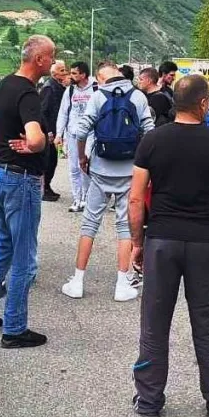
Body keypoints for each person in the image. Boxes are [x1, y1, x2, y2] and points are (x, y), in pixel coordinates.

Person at [129, 74, 209, 417]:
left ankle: (149, 400)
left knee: (154, 321)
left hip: (161, 238)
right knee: (208, 321)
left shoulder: (152, 140)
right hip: (205, 241)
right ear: (204, 103)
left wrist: (137, 242)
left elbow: (135, 199)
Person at [0, 35, 56, 349]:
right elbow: (34, 139)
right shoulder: (29, 95)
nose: (54, 61)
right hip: (22, 180)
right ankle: (15, 328)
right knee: (24, 258)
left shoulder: (6, 84)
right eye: (52, 56)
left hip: (0, 175)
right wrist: (41, 142)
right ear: (40, 60)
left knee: (3, 246)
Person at [61, 62, 154, 301]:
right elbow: (150, 132)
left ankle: (78, 281)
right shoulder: (139, 96)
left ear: (102, 78)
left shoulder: (97, 96)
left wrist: (82, 156)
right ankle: (122, 284)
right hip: (129, 170)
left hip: (101, 169)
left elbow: (81, 132)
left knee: (89, 223)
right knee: (124, 226)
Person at [56, 61, 96, 212]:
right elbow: (63, 112)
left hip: (90, 134)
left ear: (83, 74)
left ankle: (86, 197)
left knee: (85, 165)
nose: (70, 76)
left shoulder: (95, 88)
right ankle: (77, 198)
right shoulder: (70, 91)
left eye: (74, 73)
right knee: (73, 168)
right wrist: (59, 134)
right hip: (73, 133)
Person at [38, 61, 68, 201]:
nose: (65, 72)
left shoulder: (58, 87)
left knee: (52, 161)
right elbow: (43, 111)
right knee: (49, 161)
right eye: (61, 70)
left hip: (55, 129)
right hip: (49, 130)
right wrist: (49, 131)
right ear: (54, 73)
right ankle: (44, 188)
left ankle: (47, 187)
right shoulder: (49, 88)